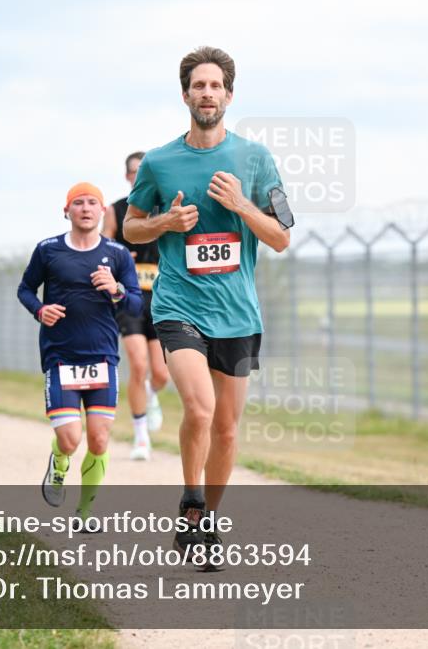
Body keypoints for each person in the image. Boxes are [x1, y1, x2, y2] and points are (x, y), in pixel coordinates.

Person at [123, 46, 294, 554]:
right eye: (199, 85)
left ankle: (205, 524)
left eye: (216, 86)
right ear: (185, 95)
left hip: (237, 311)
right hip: (178, 304)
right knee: (199, 408)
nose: (207, 93)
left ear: (229, 95)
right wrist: (165, 223)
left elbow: (282, 237)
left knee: (225, 428)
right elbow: (131, 228)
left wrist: (242, 204)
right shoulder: (158, 162)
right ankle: (191, 499)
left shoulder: (255, 158)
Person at [17, 182, 142, 525]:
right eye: (78, 203)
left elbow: (135, 303)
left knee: (99, 439)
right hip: (61, 358)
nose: (86, 208)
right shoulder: (48, 250)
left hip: (103, 358)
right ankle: (59, 463)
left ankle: (85, 511)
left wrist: (115, 288)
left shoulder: (116, 254)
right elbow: (25, 289)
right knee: (71, 439)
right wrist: (40, 310)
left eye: (92, 203)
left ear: (102, 212)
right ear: (67, 211)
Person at [102, 151, 169, 461]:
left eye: (145, 170)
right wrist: (117, 258)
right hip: (128, 297)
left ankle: (151, 397)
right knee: (138, 365)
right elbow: (102, 249)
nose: (139, 175)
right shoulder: (115, 210)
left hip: (161, 298)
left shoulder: (165, 210)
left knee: (160, 374)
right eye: (134, 171)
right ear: (128, 176)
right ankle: (141, 437)